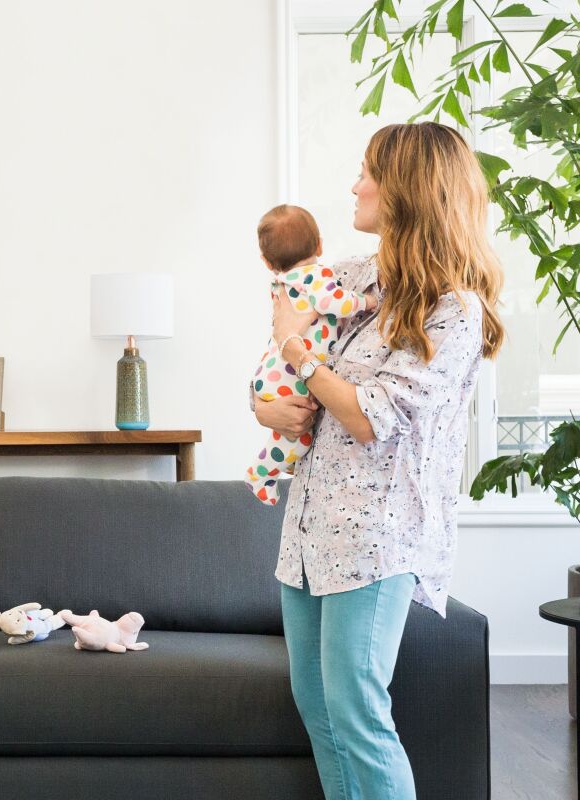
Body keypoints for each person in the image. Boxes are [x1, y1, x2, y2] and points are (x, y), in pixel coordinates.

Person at [255, 122, 504, 799]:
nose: (355, 186)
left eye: (368, 173)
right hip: (309, 535)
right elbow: (285, 374)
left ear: (407, 191)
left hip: (375, 540)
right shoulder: (358, 281)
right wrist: (269, 407)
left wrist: (297, 352)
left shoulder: (454, 312)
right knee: (321, 710)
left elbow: (369, 417)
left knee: (359, 713)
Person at [246, 204, 378, 506]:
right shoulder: (317, 277)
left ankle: (267, 473)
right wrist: (366, 301)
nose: (355, 191)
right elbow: (337, 303)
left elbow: (282, 333)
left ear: (268, 263)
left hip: (274, 375)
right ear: (319, 244)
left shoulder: (284, 284)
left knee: (299, 439)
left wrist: (262, 405)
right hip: (289, 380)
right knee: (299, 437)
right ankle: (260, 474)